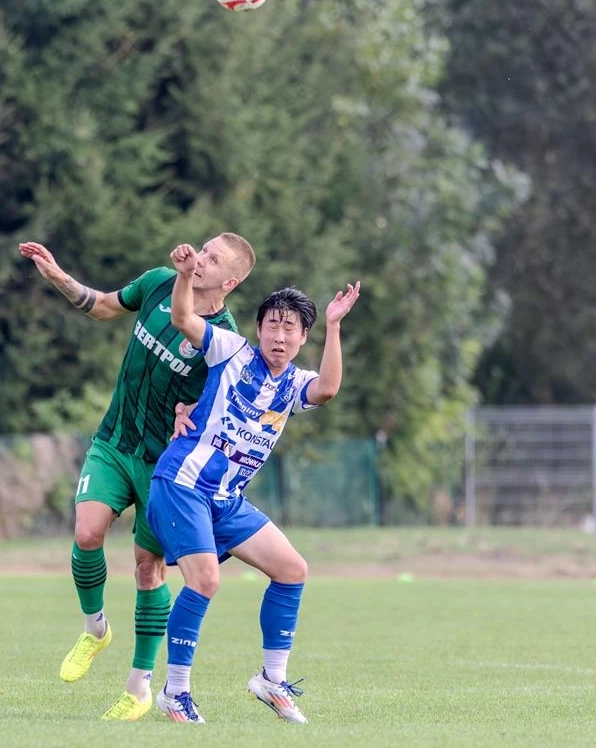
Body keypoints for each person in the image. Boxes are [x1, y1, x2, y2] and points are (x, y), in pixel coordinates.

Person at [18, 233, 255, 721]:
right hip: (114, 441)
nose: (201, 259)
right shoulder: (158, 282)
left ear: (229, 282)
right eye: (203, 249)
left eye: (213, 260)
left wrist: (190, 411)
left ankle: (139, 686)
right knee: (87, 533)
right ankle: (95, 628)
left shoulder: (225, 340)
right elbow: (103, 306)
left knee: (148, 569)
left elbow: (223, 406)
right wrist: (59, 277)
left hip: (164, 466)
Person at [146, 243, 360, 724]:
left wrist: (335, 325)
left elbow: (327, 389)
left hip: (226, 499)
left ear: (302, 337)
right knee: (205, 580)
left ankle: (271, 679)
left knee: (292, 569)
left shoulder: (293, 383)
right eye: (272, 325)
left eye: (290, 328)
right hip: (183, 483)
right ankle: (174, 691)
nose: (279, 336)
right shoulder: (230, 350)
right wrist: (184, 276)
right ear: (258, 329)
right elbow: (182, 318)